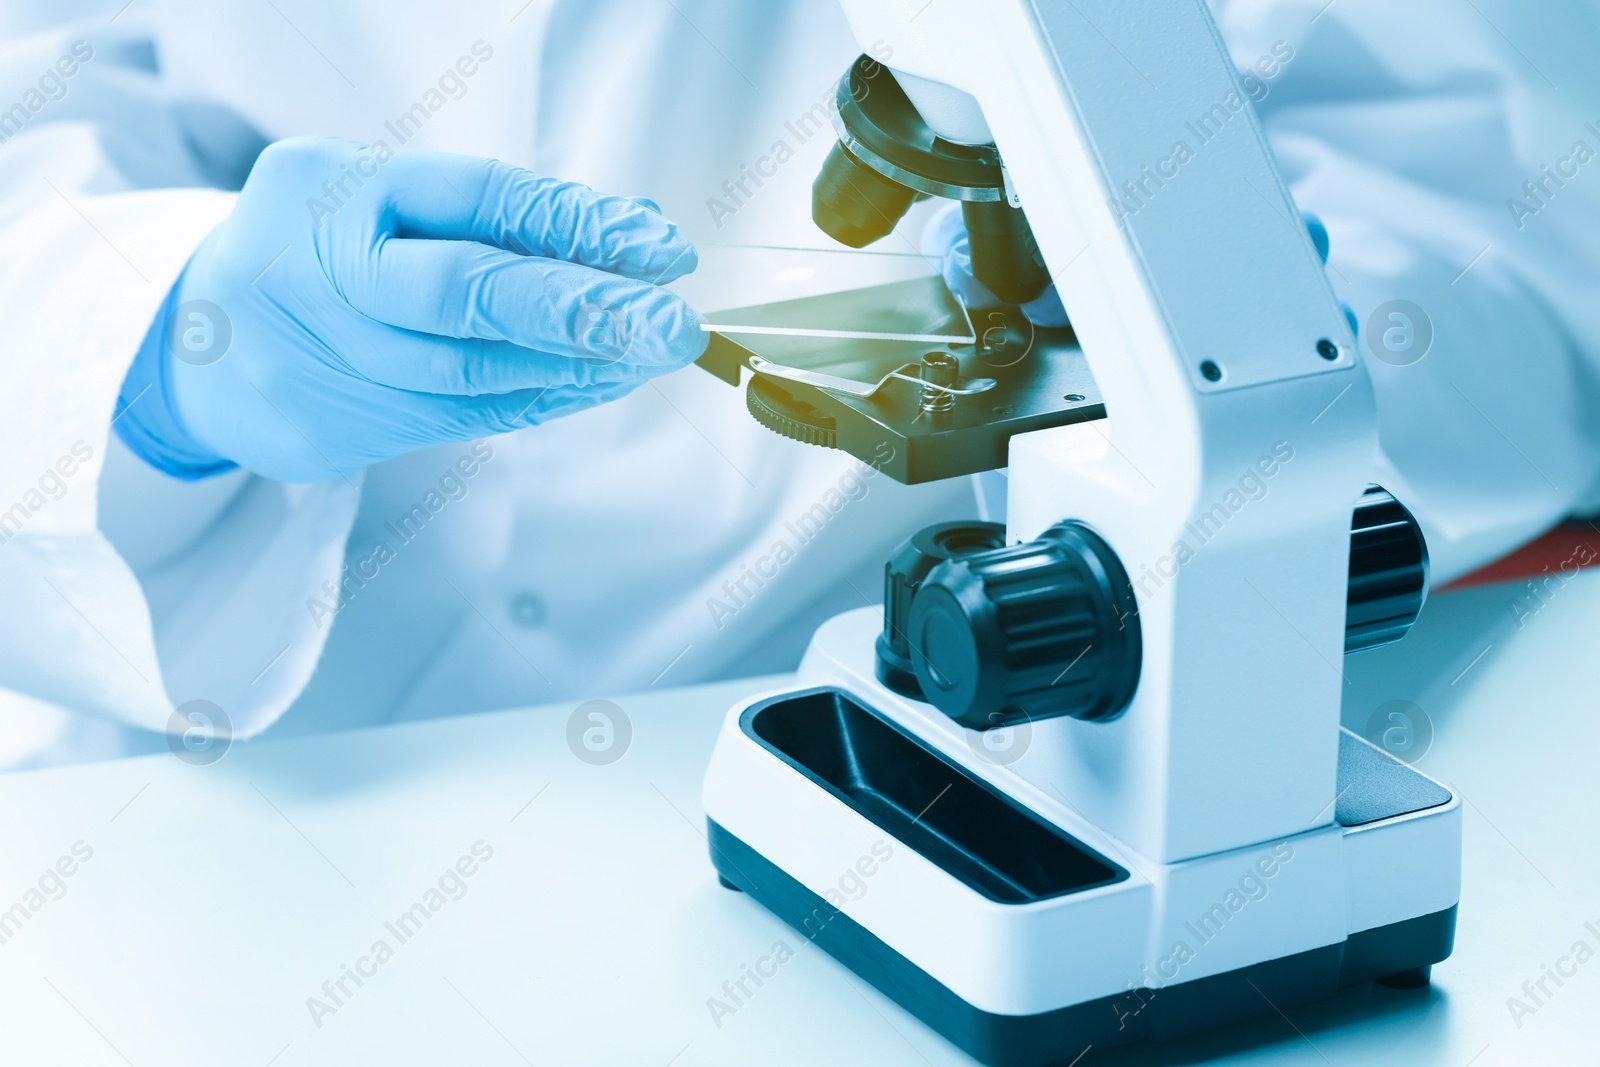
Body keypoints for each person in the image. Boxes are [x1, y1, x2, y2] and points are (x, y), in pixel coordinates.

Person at [0, 0, 1596, 769]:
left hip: (888, 725)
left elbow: (1516, 206)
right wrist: (152, 358)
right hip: (217, 802)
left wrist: (1225, 316)